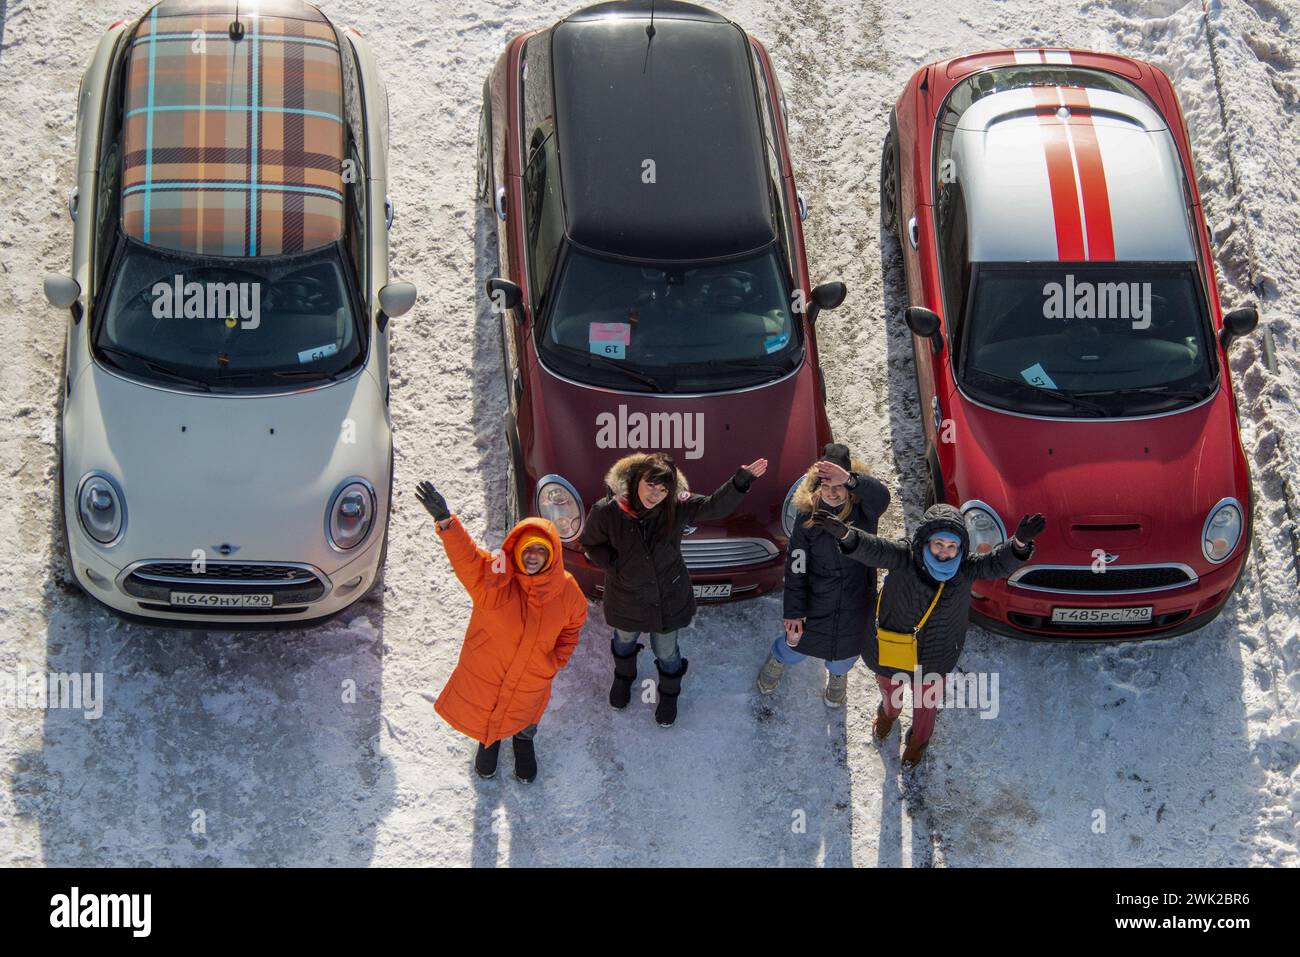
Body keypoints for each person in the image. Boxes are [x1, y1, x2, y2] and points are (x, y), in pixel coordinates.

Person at [812, 503, 1046, 767]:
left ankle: (917, 742)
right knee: (891, 691)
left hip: (934, 654)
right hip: (892, 648)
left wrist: (1019, 543)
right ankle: (889, 715)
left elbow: (996, 564)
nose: (945, 553)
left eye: (952, 546)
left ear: (960, 548)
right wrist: (846, 535)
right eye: (939, 544)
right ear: (925, 542)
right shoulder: (905, 557)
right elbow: (874, 549)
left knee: (926, 707)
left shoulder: (965, 568)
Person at [416, 480, 587, 784]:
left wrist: (557, 659)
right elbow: (467, 558)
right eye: (527, 550)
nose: (533, 556)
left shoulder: (568, 590)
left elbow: (573, 626)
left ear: (552, 555)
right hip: (488, 670)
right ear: (517, 551)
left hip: (534, 677)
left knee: (527, 714)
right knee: (489, 707)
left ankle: (523, 742)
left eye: (540, 550)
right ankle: (488, 741)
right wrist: (445, 521)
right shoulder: (495, 580)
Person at [580, 451, 769, 727]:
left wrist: (740, 481)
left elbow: (714, 506)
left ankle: (669, 694)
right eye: (650, 485)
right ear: (635, 480)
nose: (655, 494)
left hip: (667, 596)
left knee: (667, 651)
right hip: (625, 596)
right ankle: (623, 678)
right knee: (623, 641)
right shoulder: (607, 510)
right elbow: (591, 544)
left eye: (663, 488)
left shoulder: (675, 506)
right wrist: (616, 565)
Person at [756, 443, 891, 707]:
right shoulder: (807, 517)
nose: (832, 493)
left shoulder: (865, 511)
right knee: (795, 645)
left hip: (855, 599)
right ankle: (778, 657)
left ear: (849, 488)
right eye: (826, 487)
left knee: (844, 656)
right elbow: (796, 566)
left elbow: (882, 497)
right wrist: (793, 611)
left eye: (838, 486)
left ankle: (838, 677)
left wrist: (851, 480)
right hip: (816, 599)